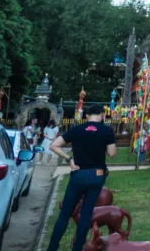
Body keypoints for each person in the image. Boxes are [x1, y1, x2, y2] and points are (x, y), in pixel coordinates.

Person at [47, 104, 117, 251]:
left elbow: (53, 145)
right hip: (97, 175)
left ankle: (52, 247)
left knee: (65, 213)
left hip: (78, 174)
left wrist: (69, 159)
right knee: (86, 213)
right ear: (102, 115)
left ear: (86, 116)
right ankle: (77, 248)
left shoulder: (76, 129)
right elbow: (111, 154)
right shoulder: (107, 131)